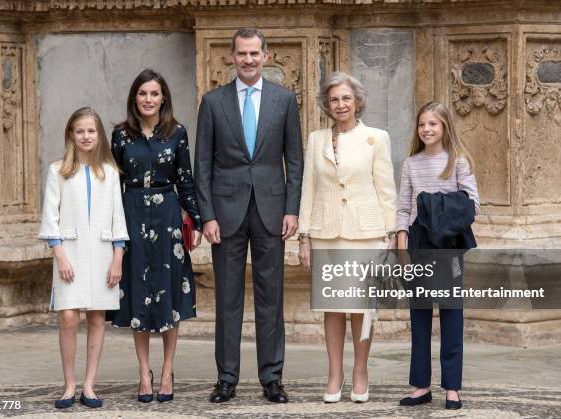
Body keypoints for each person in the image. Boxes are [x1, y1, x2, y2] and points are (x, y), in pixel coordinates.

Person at [194, 27, 303, 404]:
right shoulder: (212, 102)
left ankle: (272, 378)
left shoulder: (284, 100)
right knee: (227, 298)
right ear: (232, 57)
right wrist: (206, 215)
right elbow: (202, 165)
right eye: (242, 54)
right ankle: (226, 378)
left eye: (255, 53)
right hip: (225, 214)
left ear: (266, 56)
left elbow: (295, 161)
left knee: (271, 297)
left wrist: (292, 209)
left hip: (272, 211)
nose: (248, 60)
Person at [297, 72, 397, 403]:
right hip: (327, 234)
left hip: (366, 234)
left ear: (357, 102)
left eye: (346, 98)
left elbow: (386, 191)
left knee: (362, 309)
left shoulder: (376, 138)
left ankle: (361, 372)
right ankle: (335, 374)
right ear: (327, 104)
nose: (340, 104)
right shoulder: (315, 139)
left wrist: (391, 237)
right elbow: (308, 189)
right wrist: (304, 236)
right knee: (333, 308)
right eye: (334, 99)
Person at [106, 69, 203, 403]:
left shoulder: (177, 133)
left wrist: (198, 219)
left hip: (167, 219)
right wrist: (111, 230)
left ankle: (166, 371)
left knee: (169, 295)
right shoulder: (120, 135)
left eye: (154, 94)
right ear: (135, 97)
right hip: (131, 214)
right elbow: (112, 185)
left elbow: (185, 178)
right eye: (143, 93)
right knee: (138, 294)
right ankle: (144, 372)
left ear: (164, 98)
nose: (148, 99)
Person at [38, 107, 129, 409]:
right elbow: (50, 217)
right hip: (70, 254)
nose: (86, 136)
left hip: (104, 254)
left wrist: (117, 258)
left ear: (99, 134)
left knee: (97, 317)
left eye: (91, 131)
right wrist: (60, 255)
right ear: (71, 135)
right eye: (80, 131)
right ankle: (69, 385)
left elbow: (118, 218)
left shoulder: (111, 172)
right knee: (67, 316)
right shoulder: (58, 171)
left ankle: (89, 385)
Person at [396, 101, 480, 410]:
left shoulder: (458, 161)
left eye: (433, 124)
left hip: (448, 243)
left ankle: (452, 387)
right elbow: (404, 207)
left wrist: (437, 209)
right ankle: (420, 385)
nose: (427, 129)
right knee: (418, 314)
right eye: (422, 124)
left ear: (444, 127)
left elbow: (474, 204)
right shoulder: (411, 164)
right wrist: (402, 243)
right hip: (419, 241)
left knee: (451, 313)